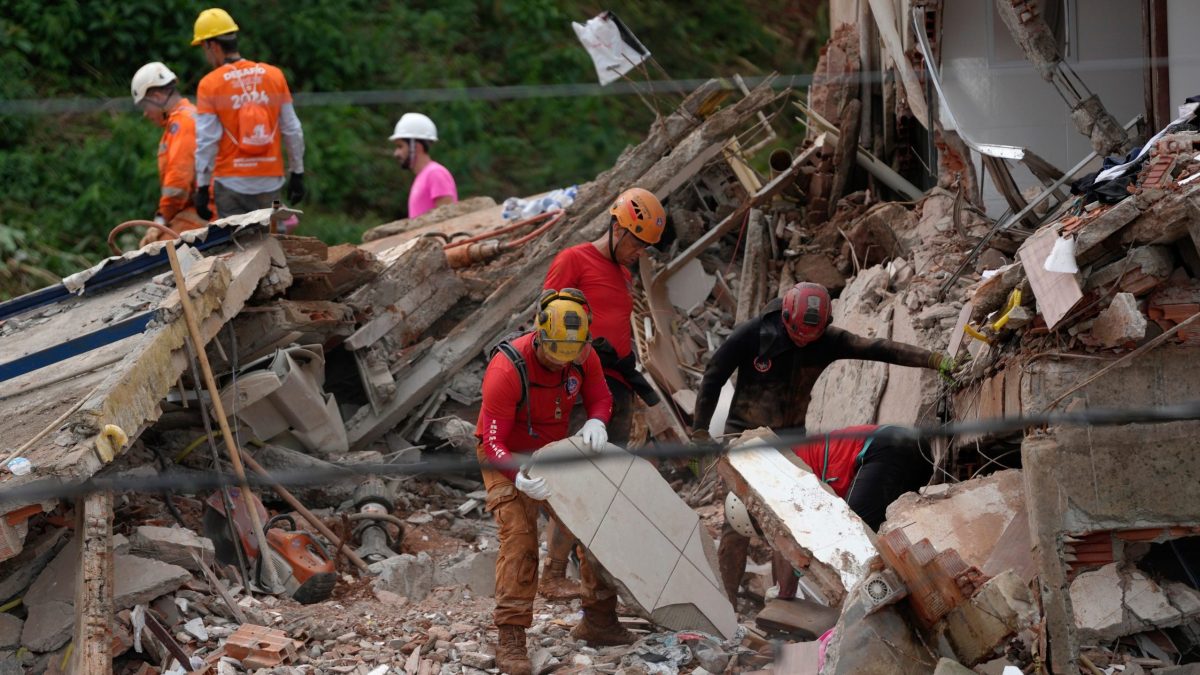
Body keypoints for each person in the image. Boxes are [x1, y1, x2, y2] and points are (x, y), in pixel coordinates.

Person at [474, 289, 634, 675]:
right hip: (505, 455)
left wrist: (597, 419)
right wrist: (518, 477)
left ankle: (598, 619)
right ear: (540, 334)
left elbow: (600, 396)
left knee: (597, 524)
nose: (561, 361)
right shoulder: (506, 369)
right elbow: (492, 440)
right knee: (520, 538)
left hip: (557, 451)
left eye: (570, 356)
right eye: (553, 354)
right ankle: (511, 635)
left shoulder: (583, 354)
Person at [537, 187, 666, 599]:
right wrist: (585, 350)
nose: (639, 253)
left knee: (608, 487)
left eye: (646, 247)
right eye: (636, 242)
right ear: (616, 227)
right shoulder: (573, 260)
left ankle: (598, 596)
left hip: (618, 385)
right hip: (580, 384)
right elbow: (547, 319)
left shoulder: (623, 274)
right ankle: (553, 572)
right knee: (579, 478)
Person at [720, 425, 933, 603]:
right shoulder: (778, 475)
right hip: (912, 448)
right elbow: (786, 543)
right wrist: (783, 589)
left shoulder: (776, 482)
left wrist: (783, 593)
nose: (767, 529)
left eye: (761, 525)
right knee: (885, 540)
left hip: (884, 450)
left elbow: (787, 539)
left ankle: (880, 606)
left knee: (853, 540)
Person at [191, 8, 305, 220]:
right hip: (271, 182)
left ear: (211, 45)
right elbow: (292, 129)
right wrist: (297, 172)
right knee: (274, 242)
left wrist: (202, 187)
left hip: (231, 185)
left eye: (204, 49)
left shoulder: (210, 84)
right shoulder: (274, 75)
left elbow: (207, 141)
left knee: (237, 247)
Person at [130, 62, 208, 246]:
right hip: (202, 204)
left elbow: (177, 185)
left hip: (206, 209)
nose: (146, 115)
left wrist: (160, 221)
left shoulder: (181, 124)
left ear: (157, 97)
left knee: (156, 256)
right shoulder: (190, 116)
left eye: (145, 107)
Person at [390, 112, 457, 219]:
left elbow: (448, 221)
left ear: (416, 147)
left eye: (400, 146)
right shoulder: (423, 176)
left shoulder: (435, 174)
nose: (396, 153)